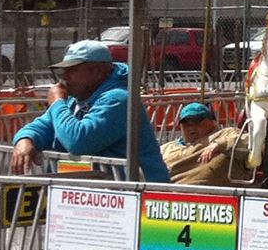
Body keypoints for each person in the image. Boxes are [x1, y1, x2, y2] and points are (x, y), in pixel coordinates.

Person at [11, 39, 171, 179]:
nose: (64, 77)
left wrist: (57, 103)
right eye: (64, 71)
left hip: (139, 197)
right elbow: (44, 126)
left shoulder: (119, 100)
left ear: (97, 72)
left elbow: (79, 141)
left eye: (72, 70)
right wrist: (25, 140)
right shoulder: (75, 98)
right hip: (102, 197)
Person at [160, 101, 246, 184]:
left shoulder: (225, 134)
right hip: (168, 191)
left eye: (197, 122)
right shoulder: (166, 148)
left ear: (212, 123)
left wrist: (219, 144)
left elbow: (248, 142)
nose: (191, 127)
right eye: (186, 124)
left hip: (214, 194)